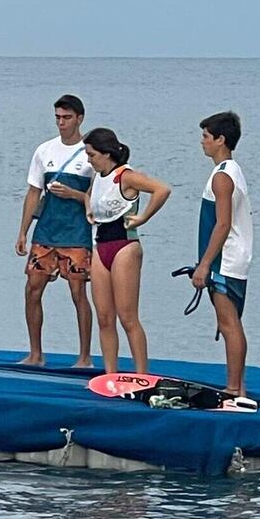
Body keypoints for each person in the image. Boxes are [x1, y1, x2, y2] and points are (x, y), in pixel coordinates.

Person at [15, 95, 94, 367]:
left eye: (67, 118)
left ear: (79, 118)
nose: (61, 123)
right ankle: (35, 354)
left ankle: (84, 357)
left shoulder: (90, 153)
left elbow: (98, 196)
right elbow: (33, 192)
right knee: (32, 288)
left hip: (76, 233)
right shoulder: (44, 150)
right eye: (58, 117)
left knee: (78, 292)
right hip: (46, 231)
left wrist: (74, 194)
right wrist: (23, 231)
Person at [83, 128, 171, 374]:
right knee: (104, 317)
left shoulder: (126, 176)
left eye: (91, 155)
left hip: (125, 246)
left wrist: (143, 218)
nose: (88, 160)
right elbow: (88, 195)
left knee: (127, 316)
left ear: (106, 153)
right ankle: (110, 373)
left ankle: (142, 373)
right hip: (101, 246)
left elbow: (162, 190)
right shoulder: (97, 175)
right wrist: (88, 208)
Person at [191, 111, 253, 395]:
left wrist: (204, 264)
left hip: (224, 260)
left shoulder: (222, 178)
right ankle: (238, 385)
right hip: (232, 258)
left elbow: (223, 223)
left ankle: (234, 388)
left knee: (229, 324)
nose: (202, 141)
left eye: (206, 136)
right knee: (229, 322)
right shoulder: (231, 170)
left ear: (221, 139)